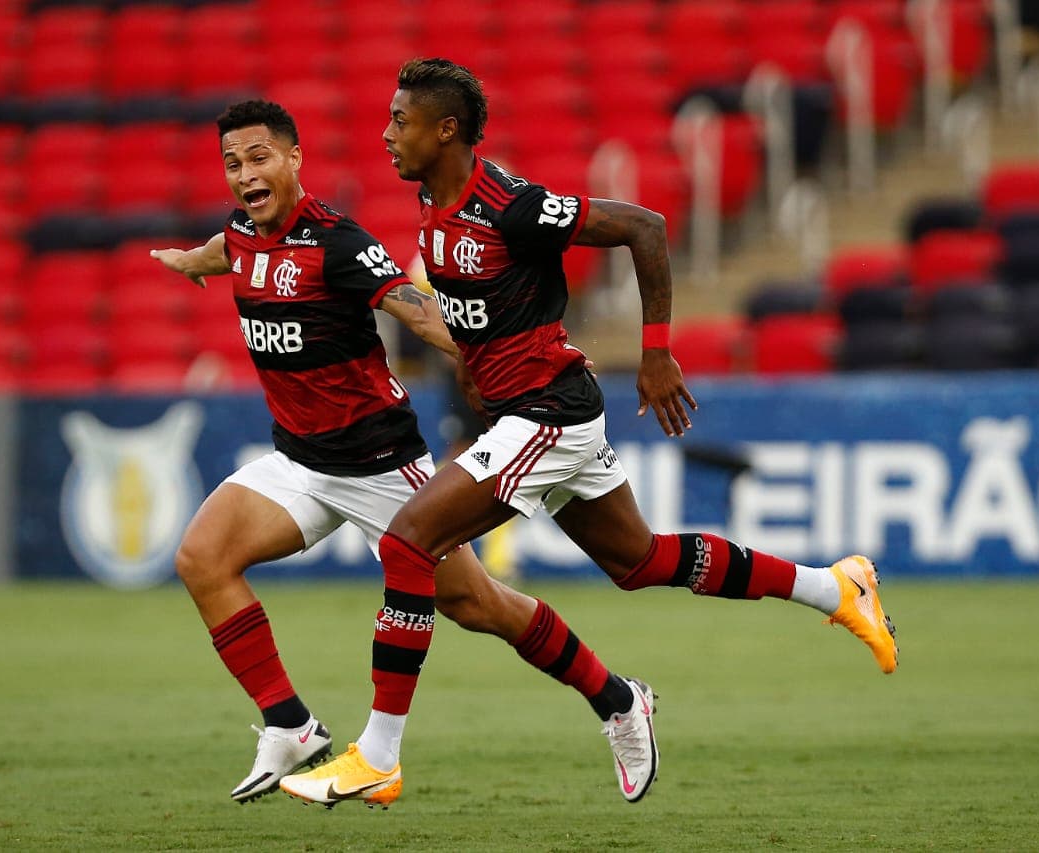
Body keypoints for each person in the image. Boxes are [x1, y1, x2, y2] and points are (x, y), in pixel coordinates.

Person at [279, 58, 898, 808]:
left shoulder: (508, 204)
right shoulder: (430, 204)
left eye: (400, 120)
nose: (385, 133)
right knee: (637, 560)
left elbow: (646, 226)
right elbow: (491, 307)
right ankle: (831, 586)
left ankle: (377, 753)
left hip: (548, 412)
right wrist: (475, 365)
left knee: (408, 543)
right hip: (531, 409)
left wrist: (659, 350)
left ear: (447, 131)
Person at [151, 99, 659, 807]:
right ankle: (290, 723)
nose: (245, 174)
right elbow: (225, 248)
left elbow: (413, 306)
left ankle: (616, 698)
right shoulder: (242, 234)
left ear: (294, 159)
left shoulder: (339, 242)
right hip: (299, 461)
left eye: (259, 156)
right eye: (233, 163)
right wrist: (188, 261)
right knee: (201, 557)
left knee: (482, 606)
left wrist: (488, 352)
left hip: (381, 465)